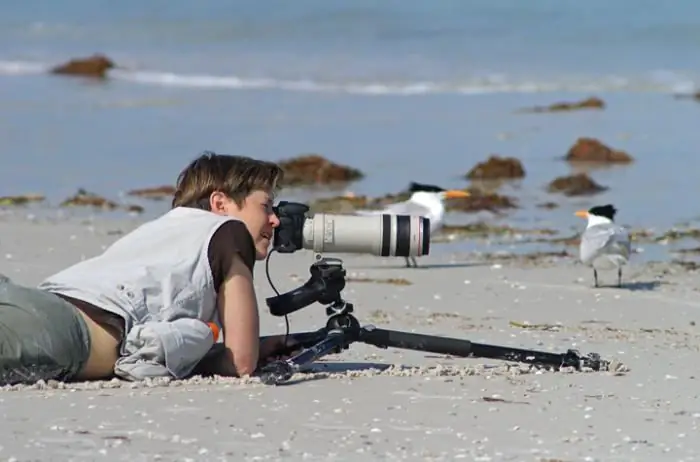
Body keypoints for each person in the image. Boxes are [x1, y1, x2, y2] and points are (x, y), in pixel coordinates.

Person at [0, 151, 297, 386]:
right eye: (266, 206)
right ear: (220, 203)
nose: (275, 220)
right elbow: (242, 362)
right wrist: (245, 351)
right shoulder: (230, 232)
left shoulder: (161, 231)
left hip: (39, 303)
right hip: (63, 331)